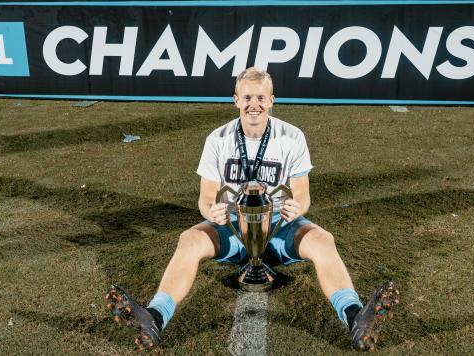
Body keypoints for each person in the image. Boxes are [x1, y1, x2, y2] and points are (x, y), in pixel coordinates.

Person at [106, 67, 398, 351]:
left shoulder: (292, 136)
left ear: (271, 100)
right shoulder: (217, 139)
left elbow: (303, 195)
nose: (253, 105)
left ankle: (355, 318)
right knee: (189, 240)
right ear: (235, 100)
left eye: (260, 98)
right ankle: (154, 317)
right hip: (233, 226)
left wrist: (297, 208)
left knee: (323, 241)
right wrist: (211, 212)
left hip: (280, 226)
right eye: (247, 98)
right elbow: (206, 197)